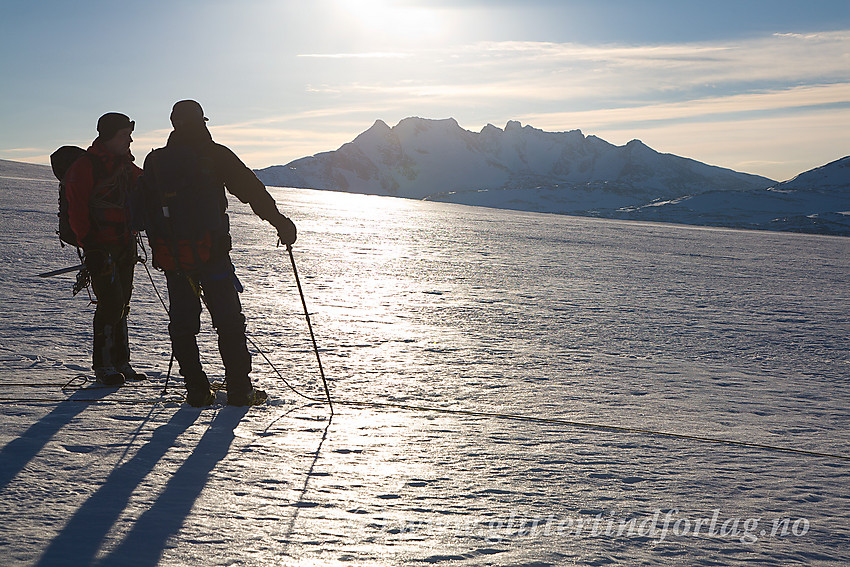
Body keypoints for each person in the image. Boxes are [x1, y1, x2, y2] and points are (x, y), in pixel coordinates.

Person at [141, 100, 297, 407]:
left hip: (174, 256)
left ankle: (196, 389)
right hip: (212, 254)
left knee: (184, 322)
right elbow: (251, 190)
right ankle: (239, 389)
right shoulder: (215, 155)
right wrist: (279, 222)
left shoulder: (156, 161)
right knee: (228, 321)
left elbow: (145, 208)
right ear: (202, 122)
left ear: (174, 125)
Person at [65, 112, 146, 385]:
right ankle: (104, 366)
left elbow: (145, 186)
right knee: (111, 303)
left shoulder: (125, 166)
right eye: (124, 134)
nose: (130, 140)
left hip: (124, 245)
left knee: (122, 303)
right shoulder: (86, 167)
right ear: (108, 137)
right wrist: (91, 247)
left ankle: (121, 363)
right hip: (101, 247)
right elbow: (77, 209)